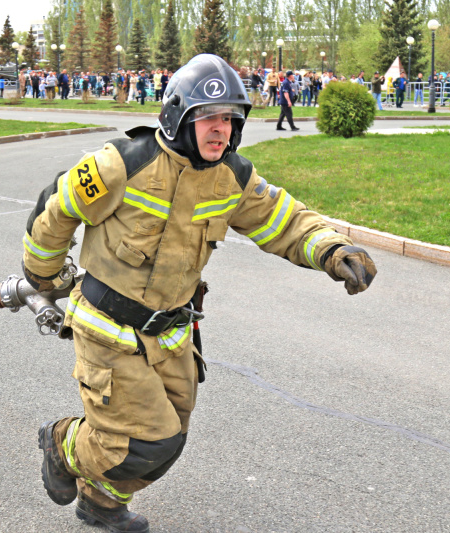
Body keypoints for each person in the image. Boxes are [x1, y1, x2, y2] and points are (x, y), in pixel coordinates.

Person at [24, 53, 376, 533]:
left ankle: (101, 503)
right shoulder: (120, 165)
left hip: (172, 332)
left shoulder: (231, 177)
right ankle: (62, 443)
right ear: (177, 117)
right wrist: (43, 276)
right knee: (147, 439)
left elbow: (285, 221)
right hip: (108, 328)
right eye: (209, 117)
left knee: (171, 441)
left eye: (230, 119)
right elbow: (55, 210)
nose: (222, 130)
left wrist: (333, 249)